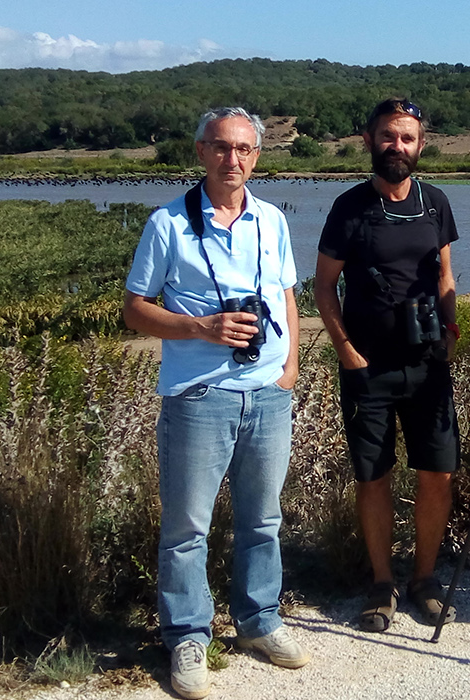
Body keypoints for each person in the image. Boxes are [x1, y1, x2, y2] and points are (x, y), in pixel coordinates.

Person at [123, 106, 307, 700]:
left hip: (267, 395)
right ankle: (187, 637)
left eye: (246, 150)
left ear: (257, 156)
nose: (234, 160)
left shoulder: (272, 220)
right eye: (223, 148)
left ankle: (260, 622)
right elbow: (134, 309)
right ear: (201, 152)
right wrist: (200, 328)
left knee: (263, 520)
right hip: (197, 397)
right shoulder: (168, 225)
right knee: (186, 529)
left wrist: (290, 369)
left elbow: (284, 296)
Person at [314, 98, 461, 633]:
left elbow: (445, 276)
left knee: (438, 475)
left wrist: (450, 329)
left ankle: (424, 578)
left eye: (406, 138)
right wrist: (346, 350)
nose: (396, 147)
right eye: (387, 137)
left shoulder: (435, 202)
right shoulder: (349, 207)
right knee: (373, 478)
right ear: (369, 140)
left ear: (421, 145)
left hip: (428, 364)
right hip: (367, 368)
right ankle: (382, 583)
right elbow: (324, 286)